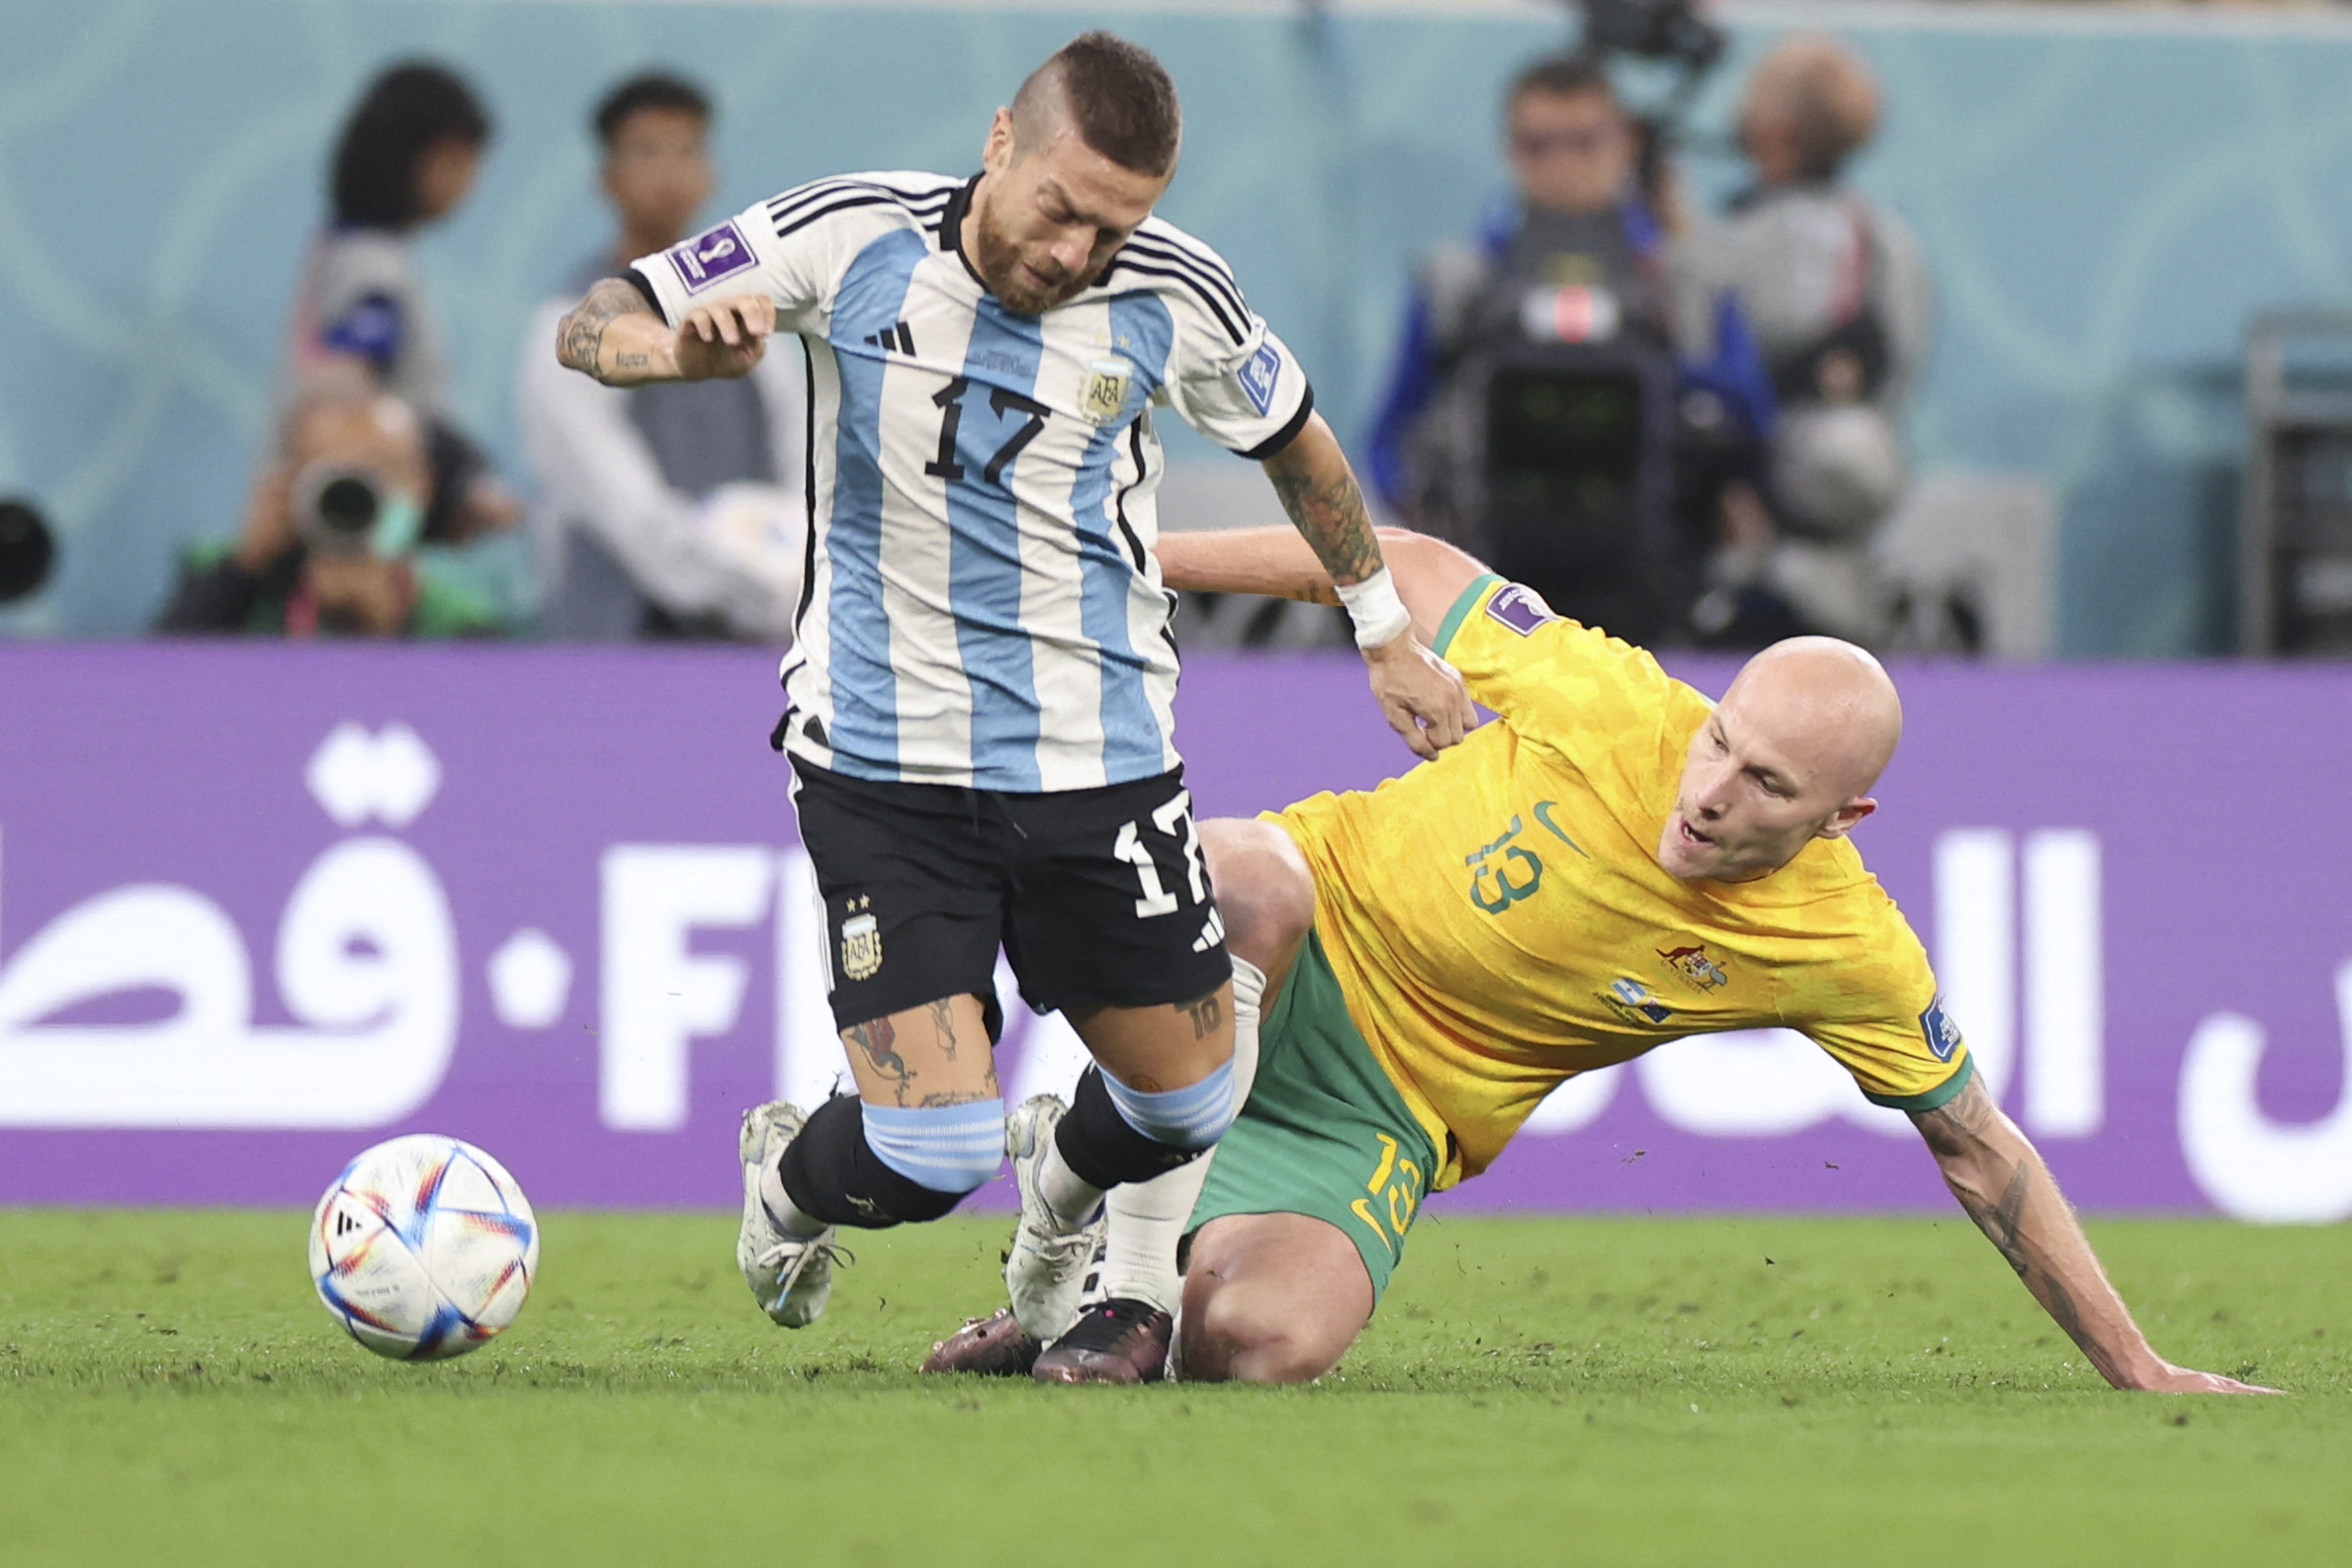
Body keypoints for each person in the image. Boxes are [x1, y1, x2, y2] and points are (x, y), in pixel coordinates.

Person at [551, 33, 1476, 1339]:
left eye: (1113, 228)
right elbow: (594, 322)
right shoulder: (849, 234)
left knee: (1190, 1101)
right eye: (1060, 208)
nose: (1075, 252)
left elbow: (1299, 446)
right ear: (1000, 143)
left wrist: (1382, 627)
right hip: (885, 762)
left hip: (1100, 762)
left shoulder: (1173, 293)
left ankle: (1059, 1183)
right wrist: (673, 357)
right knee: (928, 1154)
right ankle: (786, 1180)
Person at [924, 523, 2274, 1396]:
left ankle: (1095, 1232)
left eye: (1767, 784)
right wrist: (1140, 553)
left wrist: (2135, 1365)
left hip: (1384, 1111)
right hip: (1296, 937)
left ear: (1841, 816)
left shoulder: (1842, 941)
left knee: (1262, 1345)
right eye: (1721, 740)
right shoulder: (1612, 697)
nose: (1710, 792)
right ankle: (1105, 1256)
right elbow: (1405, 558)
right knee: (1240, 877)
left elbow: (1977, 1144)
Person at [1365, 54, 1772, 647]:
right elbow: (1390, 438)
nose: (1563, 164)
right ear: (1510, 151)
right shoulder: (1459, 285)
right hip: (1489, 593)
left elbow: (1754, 427)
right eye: (1539, 145)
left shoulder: (1687, 284)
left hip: (1662, 593)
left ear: (1625, 145)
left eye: (1584, 143)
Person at [518, 72, 807, 641]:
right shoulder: (569, 326)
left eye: (686, 151)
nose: (668, 173)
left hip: (758, 644)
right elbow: (626, 510)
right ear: (608, 179)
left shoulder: (755, 317)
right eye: (646, 153)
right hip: (615, 644)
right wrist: (763, 590)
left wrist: (797, 573)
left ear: (710, 174)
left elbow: (804, 458)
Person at [1672, 34, 1933, 647]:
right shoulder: (1892, 242)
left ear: (1777, 130)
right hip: (1850, 555)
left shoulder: (1725, 244)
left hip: (1745, 553)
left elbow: (1696, 367)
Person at [154, 384, 501, 638]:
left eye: (382, 470)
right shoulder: (221, 576)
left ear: (422, 485)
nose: (356, 496)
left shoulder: (463, 620)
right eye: (332, 472)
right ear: (289, 482)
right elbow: (156, 684)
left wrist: (383, 633)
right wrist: (241, 575)